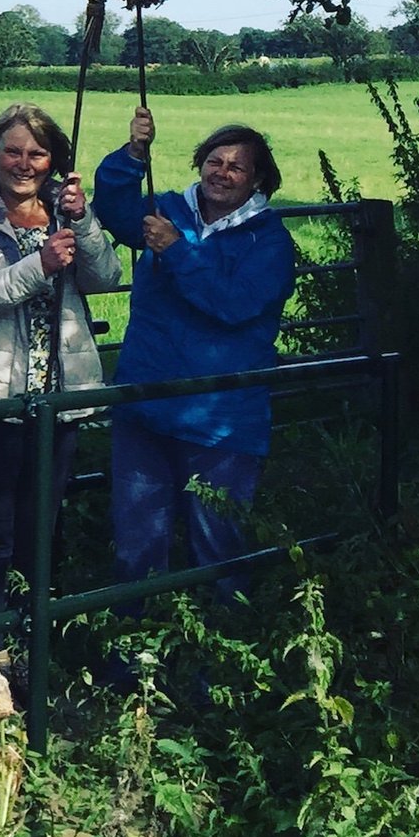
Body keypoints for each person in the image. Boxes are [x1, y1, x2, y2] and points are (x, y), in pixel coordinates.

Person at [93, 106, 297, 595]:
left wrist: (177, 250)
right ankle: (136, 660)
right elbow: (118, 213)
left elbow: (233, 305)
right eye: (214, 160)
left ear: (257, 182)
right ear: (200, 164)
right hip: (146, 406)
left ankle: (216, 663)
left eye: (237, 166)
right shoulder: (168, 209)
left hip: (222, 420)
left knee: (218, 549)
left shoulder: (270, 242)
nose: (222, 172)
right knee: (137, 548)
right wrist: (132, 156)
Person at [0, 104, 121, 616]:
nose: (24, 163)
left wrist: (82, 223)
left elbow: (104, 277)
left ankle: (37, 645)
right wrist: (38, 264)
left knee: (43, 531)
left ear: (53, 161)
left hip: (57, 399)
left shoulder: (66, 214)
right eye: (13, 151)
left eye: (37, 153)